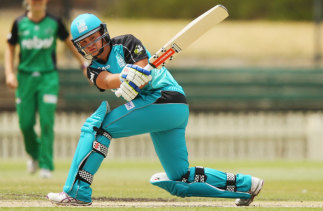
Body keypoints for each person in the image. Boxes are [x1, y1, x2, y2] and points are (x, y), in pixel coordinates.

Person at [46, 13, 264, 206]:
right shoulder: (92, 69)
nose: (91, 44)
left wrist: (134, 78)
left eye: (93, 37)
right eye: (84, 42)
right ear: (79, 46)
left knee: (99, 128)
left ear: (103, 33)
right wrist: (123, 78)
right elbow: (105, 80)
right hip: (166, 110)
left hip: (165, 98)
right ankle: (248, 185)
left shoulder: (127, 43)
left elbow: (142, 72)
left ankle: (77, 192)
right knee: (179, 178)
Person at [4, 0, 87, 179]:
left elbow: (69, 43)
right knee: (25, 124)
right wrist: (10, 73)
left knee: (46, 121)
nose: (36, 2)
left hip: (48, 78)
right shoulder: (19, 23)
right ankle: (34, 155)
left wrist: (83, 64)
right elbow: (10, 47)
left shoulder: (55, 22)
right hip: (25, 78)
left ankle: (46, 164)